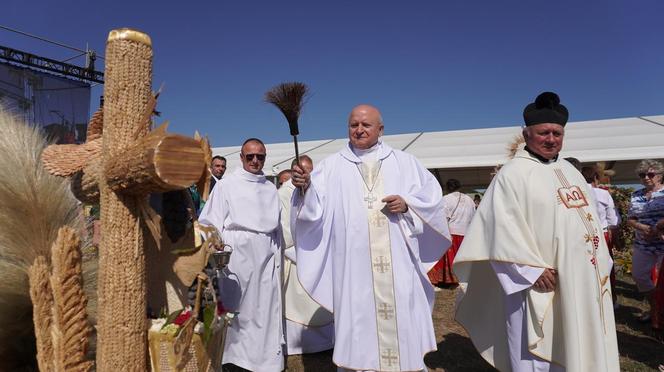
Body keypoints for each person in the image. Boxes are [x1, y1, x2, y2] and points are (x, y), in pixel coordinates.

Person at [454, 92, 619, 371]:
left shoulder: (570, 170)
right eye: (544, 132)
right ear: (526, 134)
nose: (551, 139)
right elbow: (499, 229)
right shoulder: (513, 174)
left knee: (581, 343)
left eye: (557, 133)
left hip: (581, 279)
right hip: (539, 282)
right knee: (536, 353)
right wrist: (530, 270)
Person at [291, 104, 451, 371]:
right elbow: (312, 213)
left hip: (398, 262)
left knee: (402, 315)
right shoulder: (330, 167)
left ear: (381, 129)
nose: (359, 130)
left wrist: (408, 203)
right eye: (354, 125)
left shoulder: (405, 163)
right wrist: (305, 189)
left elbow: (432, 201)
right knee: (357, 318)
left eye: (366, 125)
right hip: (353, 266)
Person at [199, 138, 283, 371]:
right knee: (238, 309)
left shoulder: (269, 187)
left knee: (265, 308)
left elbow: (278, 224)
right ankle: (233, 358)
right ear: (242, 157)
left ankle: (264, 360)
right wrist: (215, 242)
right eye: (250, 156)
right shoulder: (227, 185)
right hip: (237, 255)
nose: (255, 160)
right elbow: (209, 220)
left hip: (266, 254)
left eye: (260, 156)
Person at [278, 155, 335, 356]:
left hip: (317, 255)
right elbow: (284, 228)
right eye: (302, 169)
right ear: (294, 170)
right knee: (296, 302)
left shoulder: (318, 191)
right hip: (294, 257)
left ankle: (325, 341)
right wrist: (298, 251)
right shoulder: (283, 194)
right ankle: (295, 343)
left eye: (309, 170)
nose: (306, 173)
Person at [626, 159, 664, 333]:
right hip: (643, 243)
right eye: (642, 175)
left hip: (662, 242)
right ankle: (655, 306)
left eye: (650, 174)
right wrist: (642, 227)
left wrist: (657, 228)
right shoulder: (636, 194)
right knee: (639, 276)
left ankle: (659, 314)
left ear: (659, 175)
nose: (646, 178)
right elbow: (631, 219)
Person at [581, 165, 621, 305]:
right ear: (596, 178)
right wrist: (616, 239)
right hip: (602, 234)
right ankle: (610, 299)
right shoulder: (603, 194)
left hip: (581, 235)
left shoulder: (577, 192)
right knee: (605, 267)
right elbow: (613, 220)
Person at [428, 179, 475, 286]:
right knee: (462, 258)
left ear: (447, 188)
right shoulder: (469, 199)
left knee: (449, 258)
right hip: (466, 233)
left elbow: (443, 218)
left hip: (451, 232)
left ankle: (450, 279)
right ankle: (462, 278)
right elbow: (473, 215)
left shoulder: (446, 199)